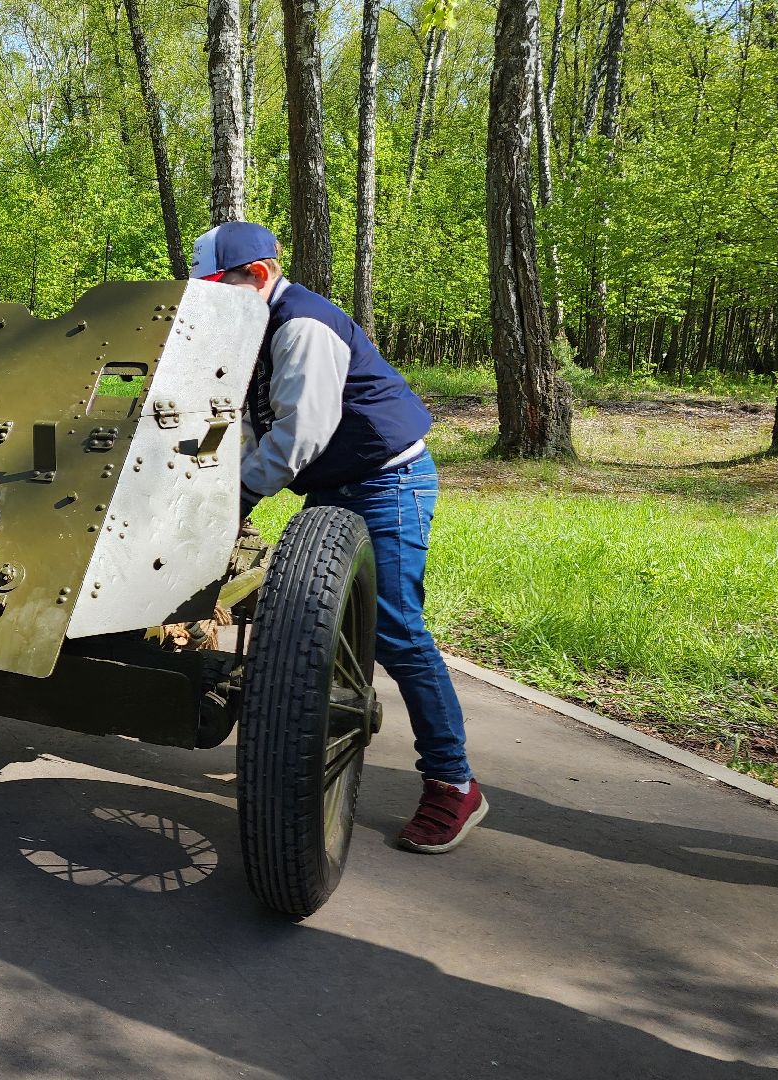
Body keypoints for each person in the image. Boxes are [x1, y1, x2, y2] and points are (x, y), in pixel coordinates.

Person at [195, 220, 487, 854]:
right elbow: (250, 423)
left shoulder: (301, 326)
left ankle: (453, 783)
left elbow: (302, 435)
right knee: (317, 625)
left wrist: (239, 497)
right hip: (337, 484)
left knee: (395, 630)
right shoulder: (253, 329)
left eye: (220, 285)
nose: (211, 299)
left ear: (261, 276)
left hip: (389, 482)